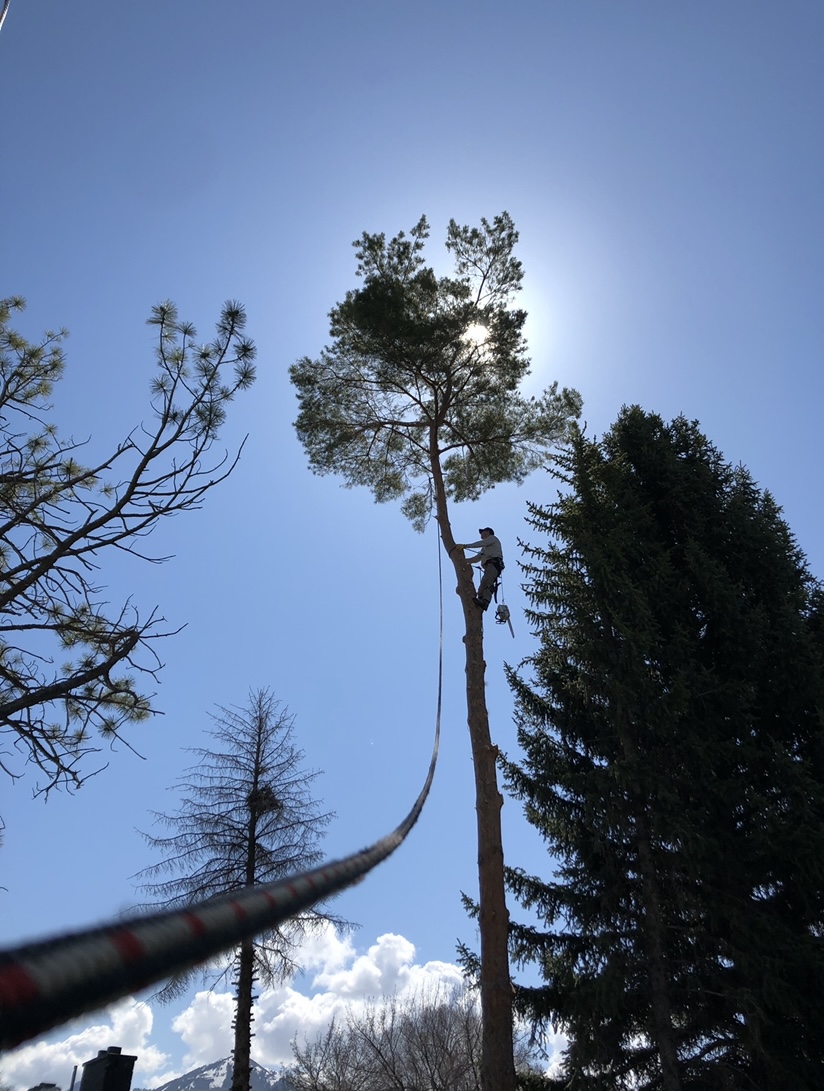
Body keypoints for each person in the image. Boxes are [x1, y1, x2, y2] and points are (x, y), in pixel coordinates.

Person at [454, 527, 504, 611]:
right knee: (482, 586)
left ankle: (485, 602)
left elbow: (480, 543)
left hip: (494, 564)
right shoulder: (484, 549)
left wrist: (465, 546)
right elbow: (476, 559)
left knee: (487, 582)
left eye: (482, 532)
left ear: (488, 532)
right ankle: (480, 600)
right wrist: (463, 561)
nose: (480, 534)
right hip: (489, 566)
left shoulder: (492, 539)